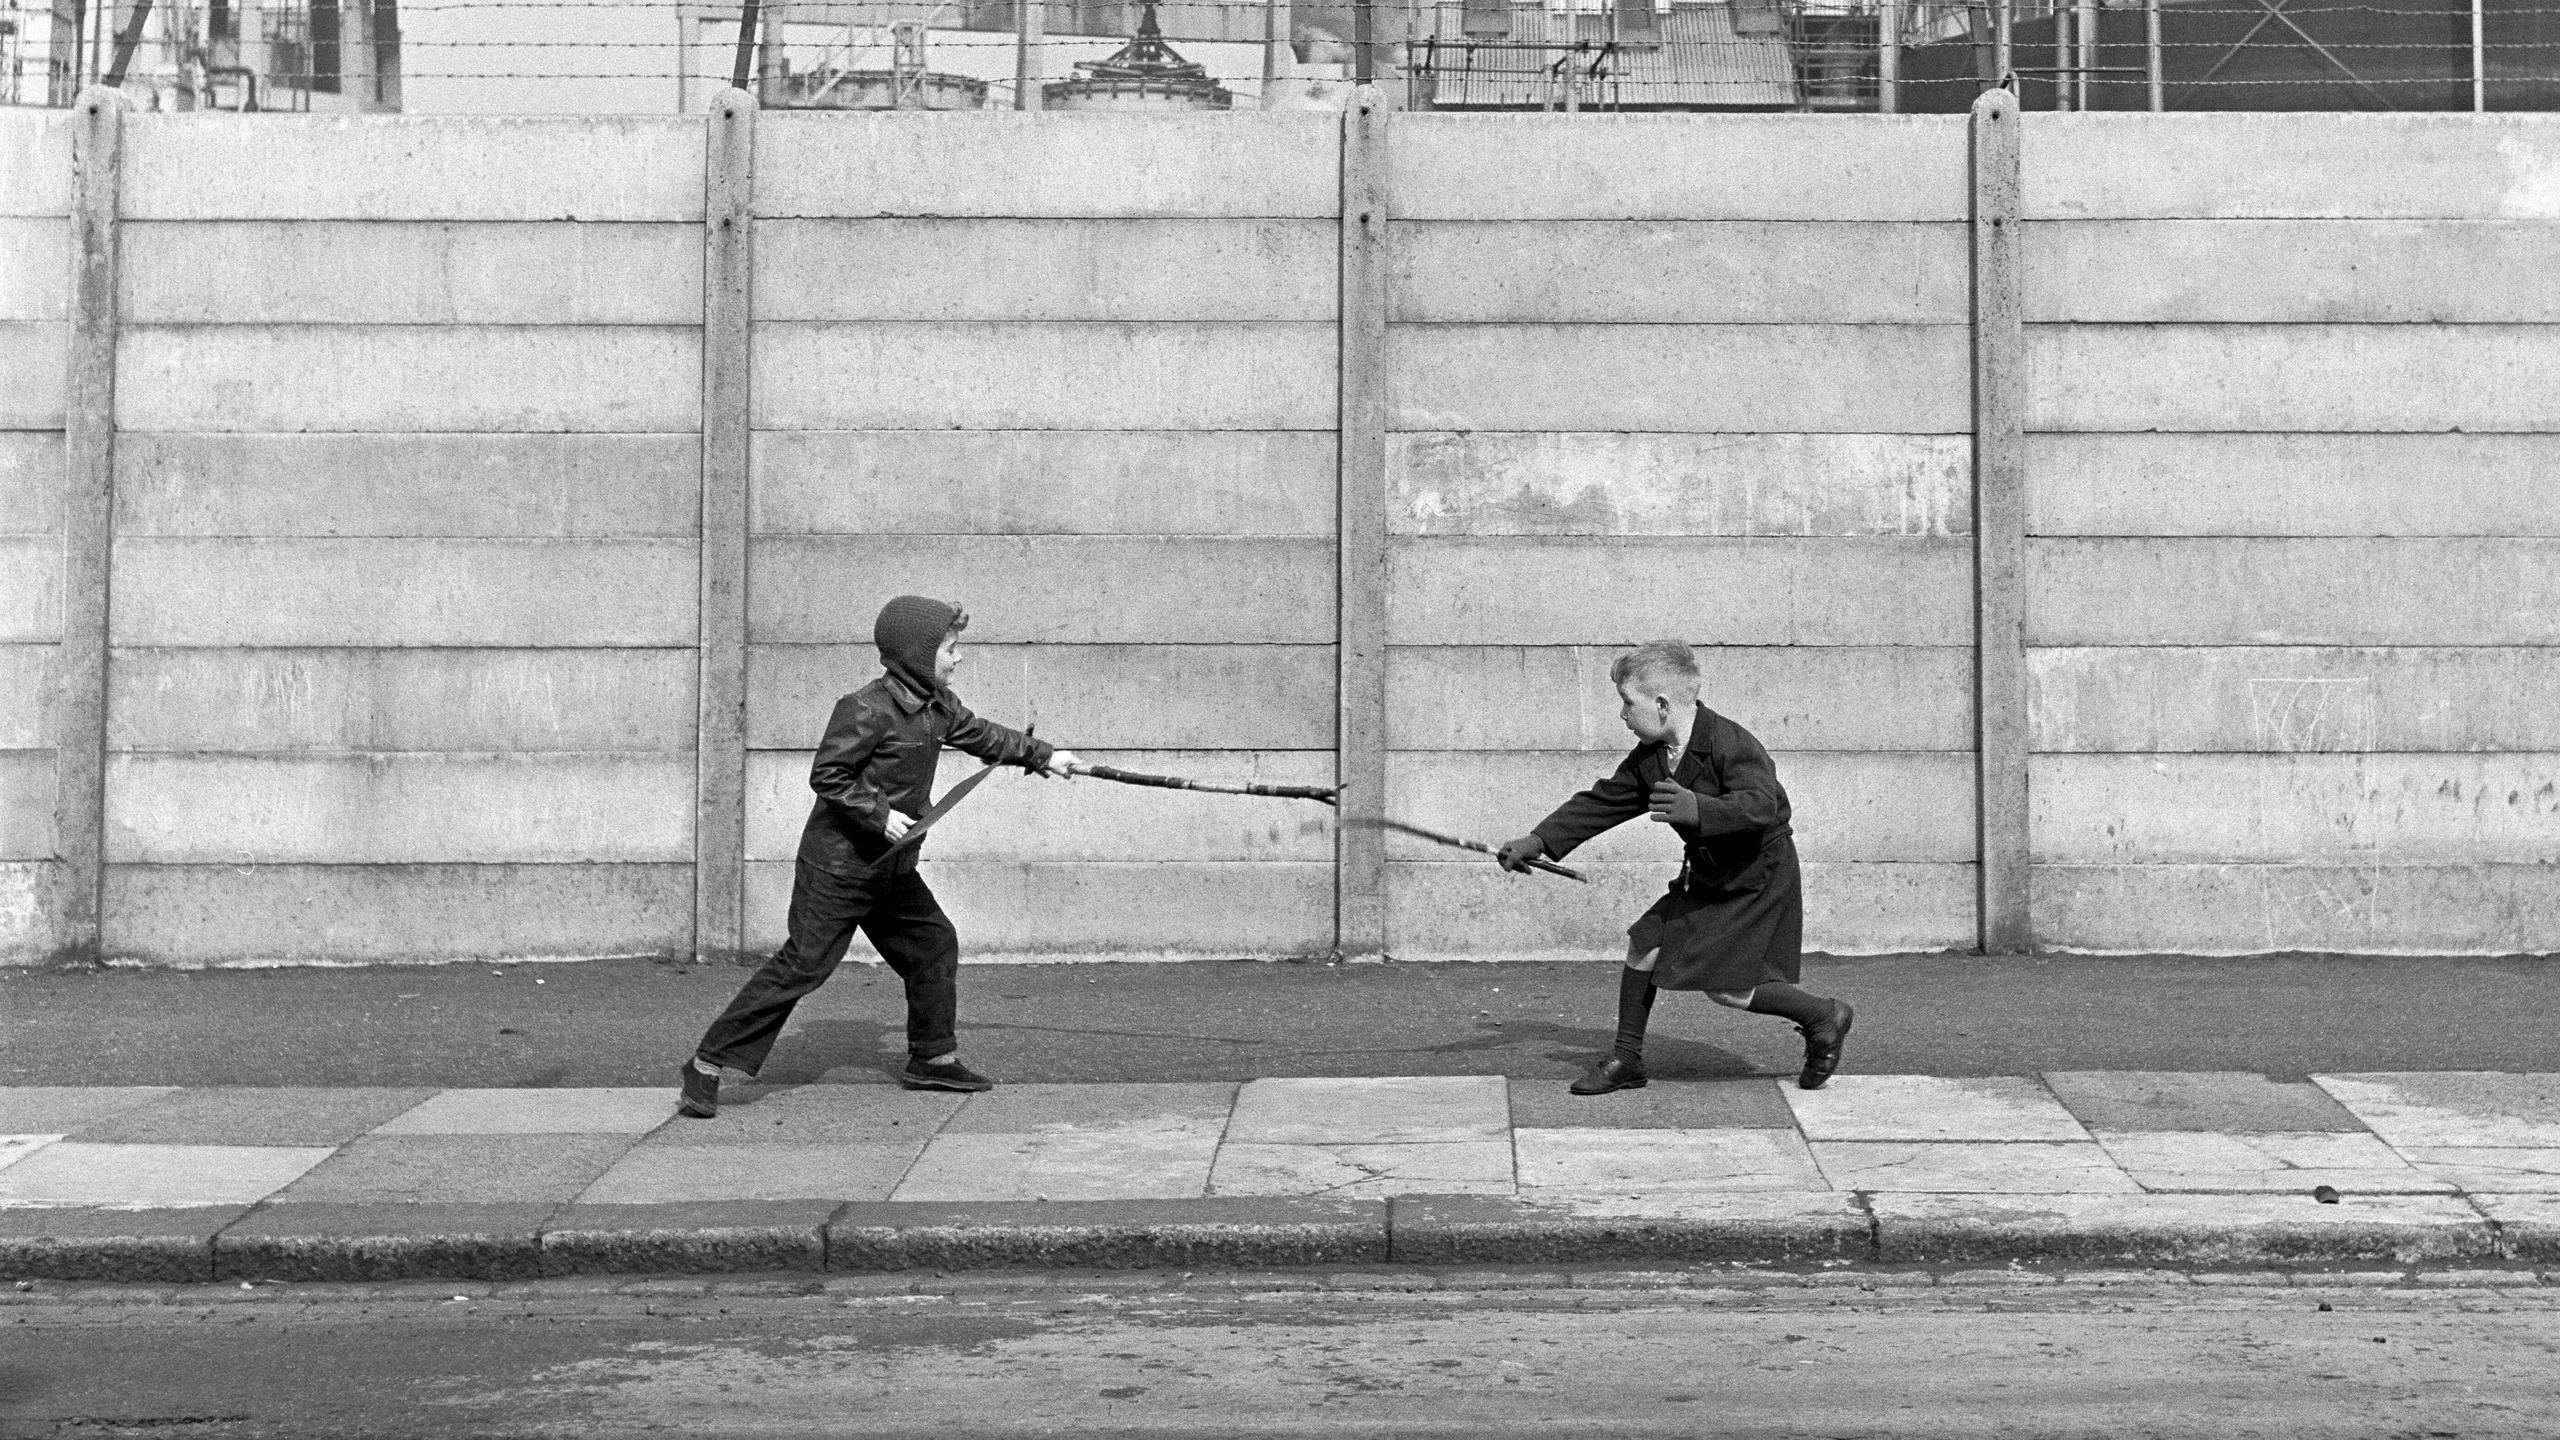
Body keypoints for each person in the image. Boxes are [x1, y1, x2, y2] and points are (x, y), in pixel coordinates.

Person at [677, 595, 1079, 1118]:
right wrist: (880, 813)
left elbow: (983, 736)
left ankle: (932, 1059)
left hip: (890, 868)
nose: (958, 659)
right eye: (950, 650)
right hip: (839, 869)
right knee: (804, 966)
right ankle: (706, 1065)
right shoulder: (865, 707)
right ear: (917, 654)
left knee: (933, 943)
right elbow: (828, 775)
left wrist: (1046, 755)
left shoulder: (938, 707)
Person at [1495, 639, 1852, 1095]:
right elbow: (1605, 801)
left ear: (1662, 705)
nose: (1622, 715)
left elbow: (1764, 805)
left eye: (1628, 703)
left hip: (1754, 875)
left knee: (1727, 990)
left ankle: (1823, 1015)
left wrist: (1701, 810)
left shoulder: (1731, 742)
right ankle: (1626, 1060)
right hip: (1705, 874)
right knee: (1644, 945)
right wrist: (1539, 840)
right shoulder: (1654, 755)